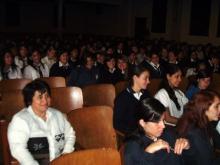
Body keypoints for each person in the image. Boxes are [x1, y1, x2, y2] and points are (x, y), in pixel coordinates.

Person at [8, 80, 76, 165]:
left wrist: (66, 153)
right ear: (30, 100)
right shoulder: (20, 120)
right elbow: (18, 149)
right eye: (40, 97)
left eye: (47, 96)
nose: (45, 101)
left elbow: (70, 134)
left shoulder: (58, 115)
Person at [124, 98, 191, 165]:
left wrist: (187, 146)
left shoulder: (167, 133)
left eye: (163, 120)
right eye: (157, 122)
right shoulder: (133, 147)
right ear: (142, 123)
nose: (163, 126)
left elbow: (183, 159)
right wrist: (149, 152)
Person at [176, 90, 220, 165]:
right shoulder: (195, 133)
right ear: (204, 109)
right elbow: (207, 162)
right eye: (216, 106)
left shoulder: (205, 122)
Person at [113, 65, 151, 135]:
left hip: (147, 131)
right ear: (135, 78)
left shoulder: (146, 94)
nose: (148, 81)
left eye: (148, 78)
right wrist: (136, 133)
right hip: (133, 136)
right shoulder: (122, 98)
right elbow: (117, 124)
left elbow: (151, 113)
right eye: (145, 78)